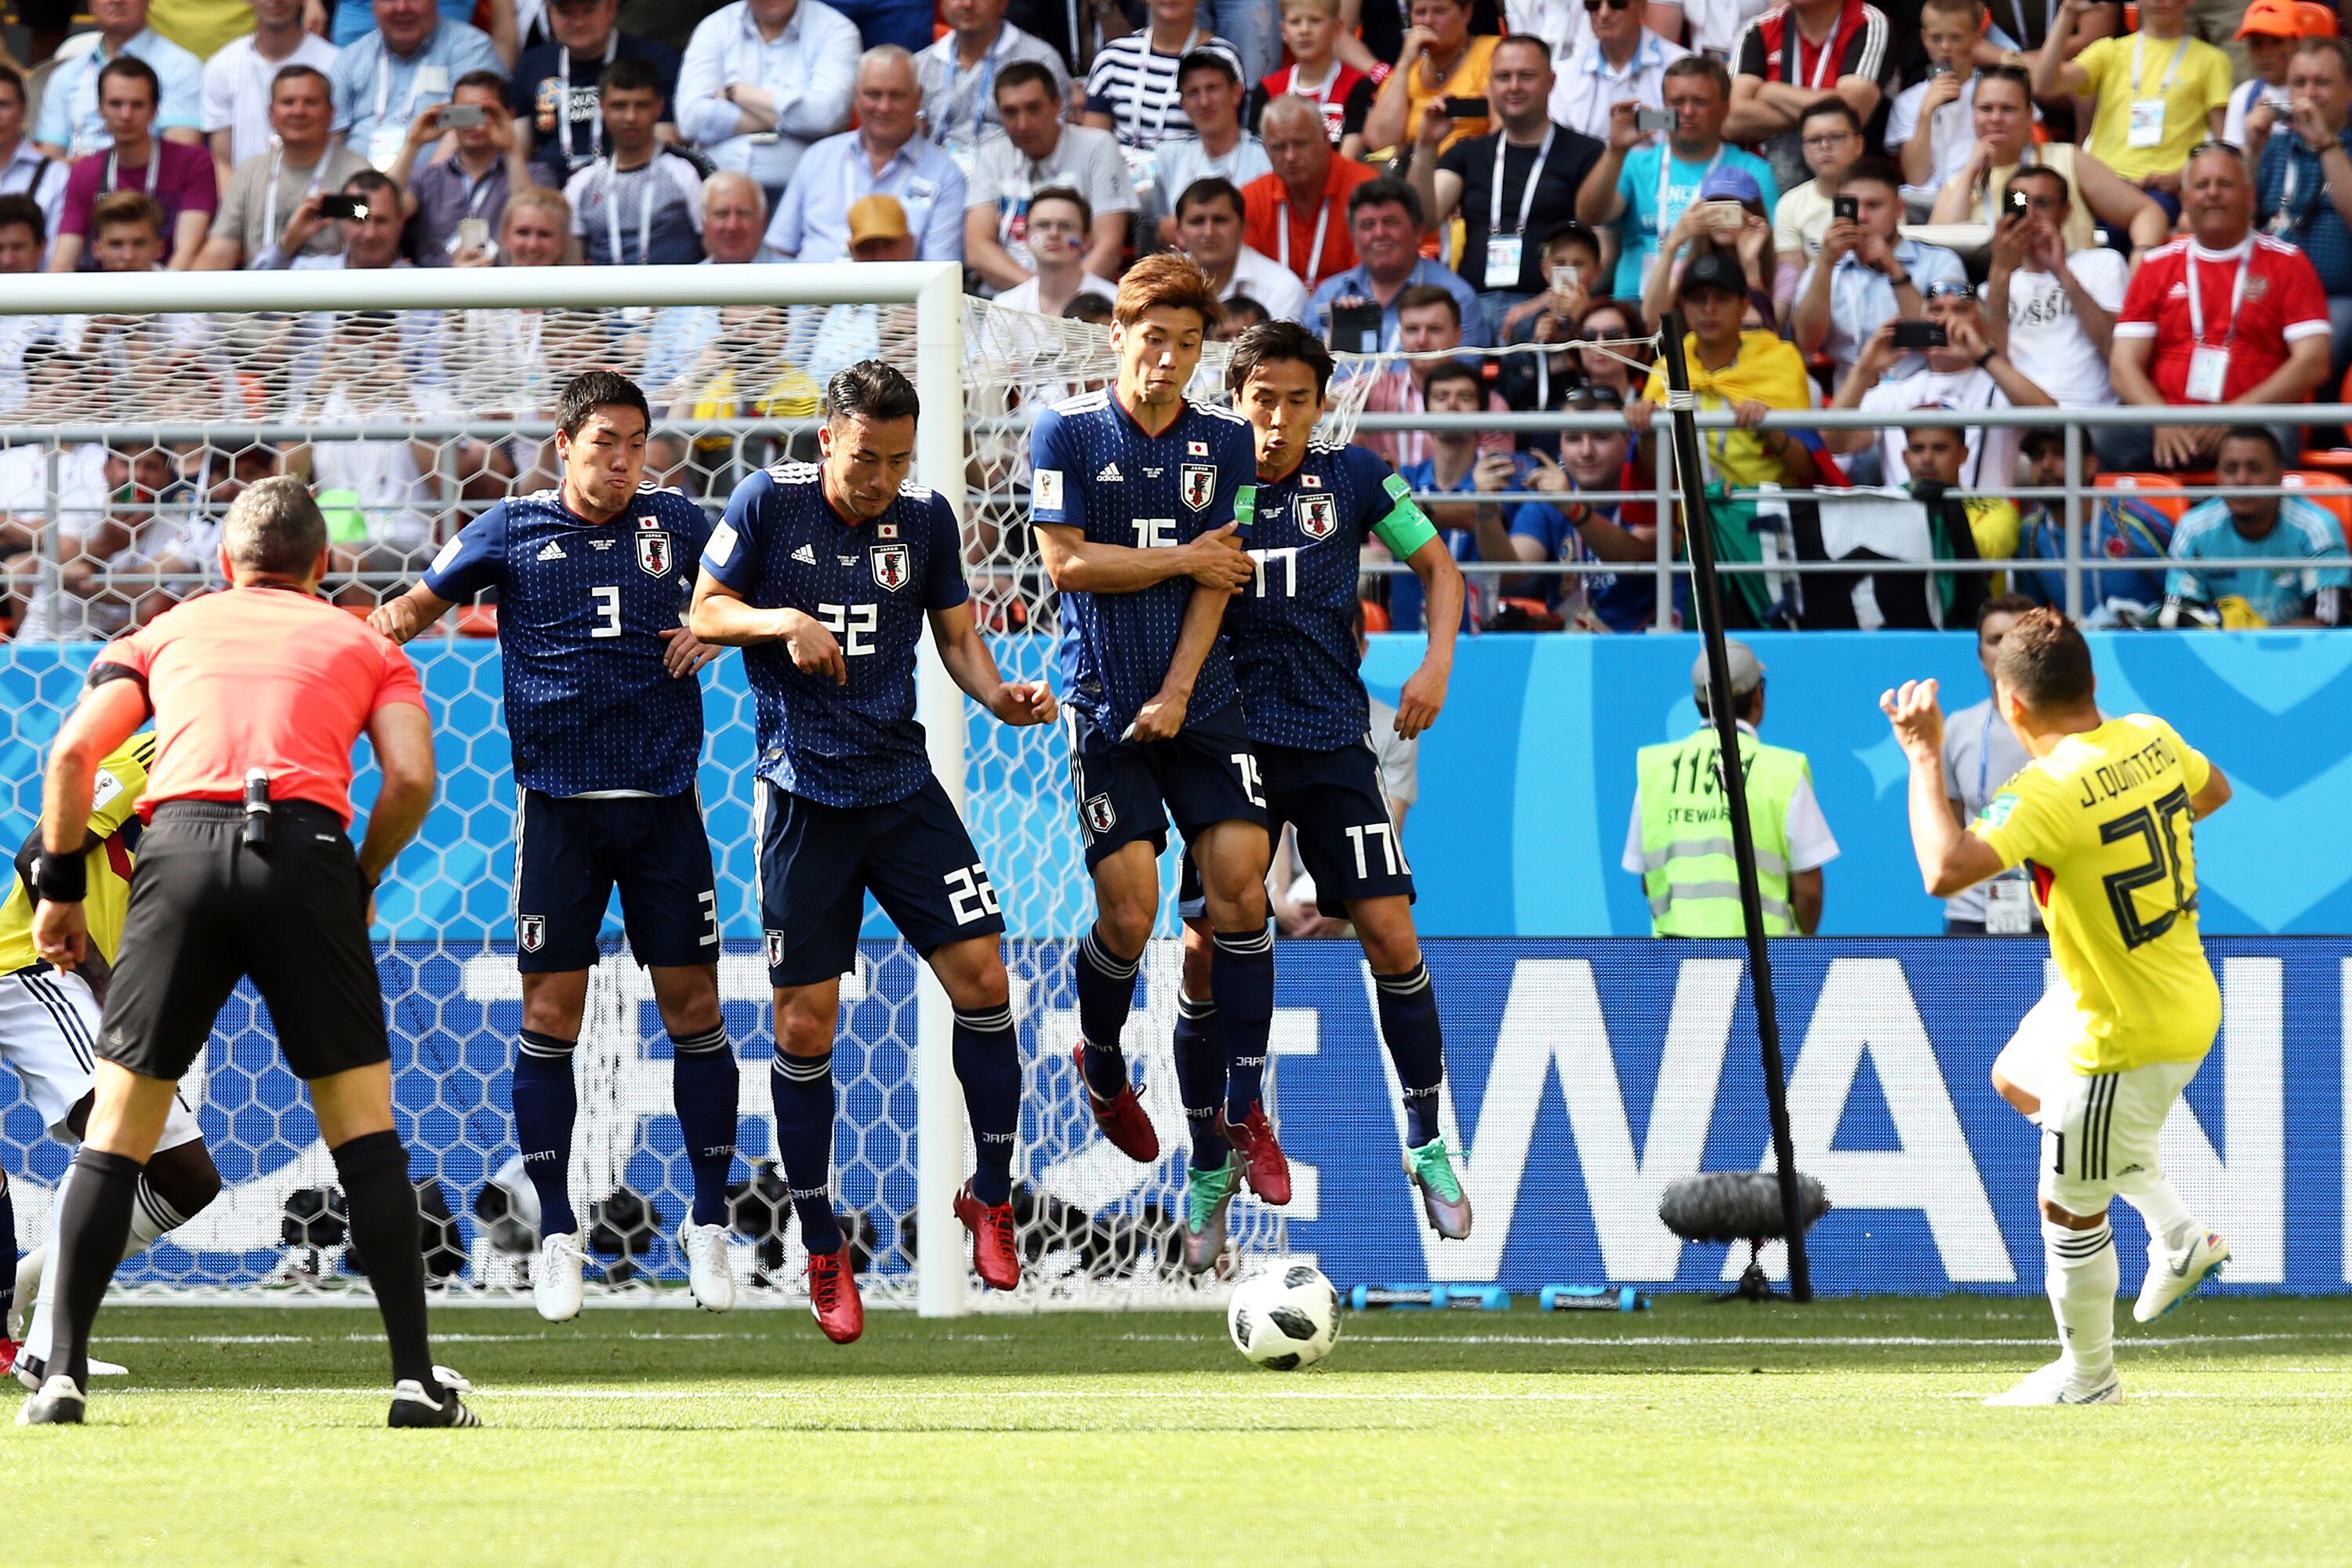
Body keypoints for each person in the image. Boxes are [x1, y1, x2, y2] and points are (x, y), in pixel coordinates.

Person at [20, 476, 464, 1428]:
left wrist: (61, 890)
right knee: (362, 1127)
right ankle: (414, 1383)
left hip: (177, 852)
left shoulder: (163, 630)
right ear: (327, 565)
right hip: (305, 851)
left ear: (225, 563)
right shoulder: (362, 638)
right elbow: (415, 777)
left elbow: (70, 758)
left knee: (121, 1128)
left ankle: (59, 1373)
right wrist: (364, 873)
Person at [691, 360, 1058, 1334]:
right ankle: (821, 1240)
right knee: (806, 1027)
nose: (880, 477)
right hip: (805, 799)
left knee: (986, 977)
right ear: (828, 441)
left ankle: (990, 1192)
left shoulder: (926, 518)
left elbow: (959, 638)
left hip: (902, 791)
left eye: (897, 460)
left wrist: (998, 693)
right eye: (866, 458)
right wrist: (786, 622)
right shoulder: (768, 501)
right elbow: (704, 609)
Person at [368, 372, 738, 1323]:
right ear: (565, 442)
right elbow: (407, 613)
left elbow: (757, 594)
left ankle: (707, 1224)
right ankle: (561, 1233)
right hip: (560, 809)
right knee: (552, 1012)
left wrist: (720, 630)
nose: (624, 460)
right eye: (606, 441)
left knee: (694, 1003)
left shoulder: (682, 525)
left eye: (638, 442)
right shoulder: (511, 529)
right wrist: (332, 657)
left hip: (663, 802)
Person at [1161, 320, 1468, 1269]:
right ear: (1236, 394)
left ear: (1322, 402)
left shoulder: (1360, 478)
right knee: (1211, 941)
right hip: (1231, 735)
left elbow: (1438, 568)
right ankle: (1214, 1158)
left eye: (1299, 399)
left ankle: (1428, 1146)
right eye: (1263, 397)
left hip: (1333, 737)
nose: (1280, 417)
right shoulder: (1200, 475)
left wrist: (1435, 663)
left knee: (1392, 933)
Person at [1881, 609, 2234, 1404]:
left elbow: (1944, 869)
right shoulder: (2149, 734)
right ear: (2093, 683)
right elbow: (2212, 790)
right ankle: (2179, 1234)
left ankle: (2089, 1377)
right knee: (2016, 1076)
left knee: (2067, 1205)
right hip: (2159, 988)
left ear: (2011, 707)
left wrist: (1924, 752)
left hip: (2125, 1030)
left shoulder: (2045, 789)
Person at [1028, 256, 1285, 1206]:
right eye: (1154, 338)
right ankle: (1100, 1059)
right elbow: (1066, 565)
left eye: (1187, 341)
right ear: (1117, 337)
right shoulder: (1064, 428)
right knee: (1130, 913)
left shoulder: (1226, 442)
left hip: (1203, 698)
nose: (1169, 358)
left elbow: (1222, 582)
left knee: (1240, 894)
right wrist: (1178, 554)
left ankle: (1244, 1108)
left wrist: (1180, 690)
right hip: (1101, 701)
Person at [0, 728, 221, 1387]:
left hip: (100, 983)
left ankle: (25, 1288)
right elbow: (41, 855)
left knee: (188, 1181)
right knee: (113, 1130)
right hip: (37, 969)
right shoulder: (160, 752)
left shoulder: (264, 785)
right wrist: (102, 981)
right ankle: (49, 1347)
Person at [1628, 252, 1825, 627]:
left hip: (1766, 528)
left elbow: (1808, 467)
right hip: (1694, 532)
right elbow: (1651, 473)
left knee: (1776, 636)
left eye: (1721, 299)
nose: (1709, 309)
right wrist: (1646, 430)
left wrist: (1772, 431)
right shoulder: (1666, 367)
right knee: (1700, 641)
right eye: (1698, 299)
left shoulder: (1779, 362)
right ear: (1683, 307)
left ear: (1744, 305)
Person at [2111, 143, 2332, 471]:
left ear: (2250, 196)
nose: (2212, 193)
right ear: (2184, 200)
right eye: (2201, 186)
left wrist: (2235, 415)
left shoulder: (2288, 263)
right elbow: (2122, 366)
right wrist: (2162, 420)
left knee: (2276, 437)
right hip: (2168, 421)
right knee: (2100, 438)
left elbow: (2313, 362)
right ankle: (2139, 524)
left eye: (2225, 184)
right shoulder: (2156, 265)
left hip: (2253, 419)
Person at [1626, 641, 1838, 936]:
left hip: (1675, 958)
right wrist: (1797, 948)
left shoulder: (1655, 767)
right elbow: (1809, 890)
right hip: (1765, 959)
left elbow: (1648, 880)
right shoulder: (1783, 770)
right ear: (1758, 696)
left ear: (1698, 701)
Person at [1407, 35, 1602, 340]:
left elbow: (1602, 245)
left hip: (1546, 305)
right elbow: (1421, 217)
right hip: (1471, 305)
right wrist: (1426, 145)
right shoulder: (1467, 153)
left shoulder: (1586, 152)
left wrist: (1544, 303)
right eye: (1503, 77)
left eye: (1526, 76)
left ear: (1551, 81)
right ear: (1489, 85)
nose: (1513, 86)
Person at [1578, 56, 1779, 299]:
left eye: (1700, 102)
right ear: (1664, 105)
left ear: (1726, 109)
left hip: (1706, 304)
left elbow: (1767, 251)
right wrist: (1616, 151)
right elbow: (1591, 215)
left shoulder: (1753, 170)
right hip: (1632, 306)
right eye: (1677, 102)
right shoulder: (1635, 163)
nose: (1687, 112)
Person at [1826, 283, 2051, 499]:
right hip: (1909, 524)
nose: (1944, 320)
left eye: (1960, 310)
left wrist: (1982, 353)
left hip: (1982, 529)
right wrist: (1864, 370)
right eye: (1936, 311)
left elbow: (2050, 420)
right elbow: (1833, 443)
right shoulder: (1894, 393)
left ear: (1983, 328)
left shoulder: (2003, 388)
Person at [1929, 66, 2169, 254]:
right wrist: (1972, 170)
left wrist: (2142, 254)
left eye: (2008, 109)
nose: (1995, 118)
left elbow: (2147, 212)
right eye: (1986, 109)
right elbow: (1938, 246)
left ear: (2030, 115)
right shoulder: (1961, 182)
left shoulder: (2067, 159)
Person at [1501, 382, 1676, 631]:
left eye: (1601, 436)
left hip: (1645, 645)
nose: (1586, 451)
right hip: (1572, 650)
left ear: (1627, 439)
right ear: (1560, 445)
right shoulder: (1548, 500)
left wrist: (1572, 509)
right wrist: (1485, 512)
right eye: (1573, 438)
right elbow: (1509, 572)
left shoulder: (1646, 487)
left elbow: (1637, 557)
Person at [766, 46, 964, 263]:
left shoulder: (945, 174)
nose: (884, 106)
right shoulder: (818, 157)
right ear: (856, 96)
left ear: (918, 98)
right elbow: (781, 250)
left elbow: (940, 271)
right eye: (873, 94)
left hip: (896, 296)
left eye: (897, 95)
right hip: (811, 295)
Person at [2031, 0, 2230, 215]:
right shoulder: (2109, 50)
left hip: (2163, 190)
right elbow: (2045, 85)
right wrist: (2067, 14)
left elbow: (2223, 147)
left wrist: (2183, 176)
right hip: (2102, 184)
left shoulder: (2213, 61)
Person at [1791, 154, 1964, 386]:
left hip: (1922, 399)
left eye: (1873, 205)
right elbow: (1806, 343)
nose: (1861, 216)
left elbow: (1941, 340)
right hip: (1851, 401)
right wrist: (1826, 264)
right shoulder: (1823, 268)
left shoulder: (1941, 262)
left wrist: (1894, 268)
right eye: (1851, 206)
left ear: (1899, 209)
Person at [964, 60, 1136, 289]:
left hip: (1081, 303)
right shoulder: (991, 154)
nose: (1023, 124)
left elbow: (1109, 248)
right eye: (1010, 112)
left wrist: (1062, 299)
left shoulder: (1098, 146)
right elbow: (977, 248)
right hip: (1004, 299)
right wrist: (1036, 298)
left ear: (1058, 105)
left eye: (1033, 108)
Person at [675, 0, 864, 204]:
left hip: (805, 190)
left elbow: (825, 117)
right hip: (719, 187)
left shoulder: (836, 29)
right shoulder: (714, 28)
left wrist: (737, 93)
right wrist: (793, 116)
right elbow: (689, 120)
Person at [1981, 165, 2131, 422]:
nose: (2030, 215)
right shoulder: (1992, 287)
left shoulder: (2104, 263)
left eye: (2042, 204)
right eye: (2018, 204)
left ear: (2066, 212)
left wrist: (2061, 271)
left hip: (2091, 417)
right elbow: (1994, 361)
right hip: (2019, 419)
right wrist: (2001, 269)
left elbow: (2115, 350)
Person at [2161, 426, 2350, 626]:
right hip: (2219, 654)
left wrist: (2255, 645)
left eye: (2255, 469)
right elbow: (2178, 618)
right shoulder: (2192, 529)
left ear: (2279, 475)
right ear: (2217, 476)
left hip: (2301, 654)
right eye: (2230, 469)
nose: (2241, 480)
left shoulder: (2317, 528)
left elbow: (2330, 620)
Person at [1385, 358, 1518, 630]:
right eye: (1441, 397)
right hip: (1409, 640)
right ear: (1427, 410)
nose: (1452, 405)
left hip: (1480, 642)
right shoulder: (1407, 476)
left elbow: (1480, 516)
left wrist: (1418, 510)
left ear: (1482, 413)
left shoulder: (1499, 474)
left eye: (1464, 397)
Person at [196, 66, 372, 270]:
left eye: (311, 102)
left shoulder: (358, 174)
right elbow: (220, 250)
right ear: (271, 115)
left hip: (334, 295)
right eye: (288, 102)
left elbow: (371, 236)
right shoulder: (250, 173)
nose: (298, 111)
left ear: (332, 113)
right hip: (261, 296)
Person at [49, 57, 216, 274]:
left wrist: (158, 304)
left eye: (137, 105)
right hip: (103, 297)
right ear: (100, 109)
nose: (126, 115)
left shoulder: (193, 162)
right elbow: (64, 259)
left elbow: (186, 252)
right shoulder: (86, 171)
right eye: (116, 104)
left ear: (155, 110)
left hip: (172, 296)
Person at [2256, 36, 2352, 408]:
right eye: (2299, 83)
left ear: (2349, 89)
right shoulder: (2276, 146)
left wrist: (2326, 145)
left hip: (2336, 298)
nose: (2309, 94)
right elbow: (2230, 222)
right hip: (2266, 293)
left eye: (2322, 83)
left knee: (2320, 340)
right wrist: (2250, 149)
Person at [1936, 594, 2041, 935]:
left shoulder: (2083, 730)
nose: (2008, 648)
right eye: (1996, 640)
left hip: (2060, 917)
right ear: (1981, 656)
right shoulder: (1958, 728)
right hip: (1973, 916)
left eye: (2020, 635)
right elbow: (1950, 831)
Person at [1726, 0, 1894, 197]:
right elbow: (1730, 119)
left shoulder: (1868, 22)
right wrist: (1827, 111)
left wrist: (1771, 92)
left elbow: (1852, 112)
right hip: (1762, 186)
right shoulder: (1758, 29)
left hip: (1846, 187)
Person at [1307, 177, 1487, 348]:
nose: (1379, 234)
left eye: (1390, 222)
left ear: (1418, 232)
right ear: (1353, 237)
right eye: (1368, 225)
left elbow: (1462, 375)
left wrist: (1388, 382)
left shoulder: (1456, 297)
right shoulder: (1328, 294)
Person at [511, 0, 683, 180]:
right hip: (549, 193)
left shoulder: (655, 60)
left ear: (611, 8)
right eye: (566, 13)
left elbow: (665, 143)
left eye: (589, 10)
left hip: (630, 182)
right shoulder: (532, 64)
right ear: (549, 13)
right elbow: (517, 152)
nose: (578, 22)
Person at [2011, 429, 2176, 615]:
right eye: (2037, 456)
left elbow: (2184, 599)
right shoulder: (2030, 533)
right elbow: (2032, 617)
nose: (2047, 465)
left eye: (2061, 453)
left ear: (2090, 465)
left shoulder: (2136, 523)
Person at [330, 0, 506, 172]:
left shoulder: (472, 49)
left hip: (439, 191)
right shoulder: (351, 58)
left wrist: (422, 188)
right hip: (356, 191)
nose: (402, 7)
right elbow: (332, 137)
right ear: (373, 5)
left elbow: (475, 120)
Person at [1353, 286, 1515, 470]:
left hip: (1459, 499)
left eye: (1435, 329)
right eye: (1412, 330)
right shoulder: (1376, 387)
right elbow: (1323, 402)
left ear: (1458, 336)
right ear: (1401, 336)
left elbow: (1497, 483)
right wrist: (1337, 342)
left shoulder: (1490, 405)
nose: (1422, 340)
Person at [391, 70, 543, 267]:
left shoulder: (536, 175)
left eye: (483, 113)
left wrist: (512, 148)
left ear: (509, 116)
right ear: (450, 115)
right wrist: (412, 144)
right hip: (437, 292)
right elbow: (378, 211)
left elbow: (533, 219)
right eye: (464, 113)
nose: (473, 124)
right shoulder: (427, 178)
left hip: (508, 289)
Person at [564, 56, 705, 266]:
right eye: (619, 106)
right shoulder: (583, 182)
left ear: (659, 107)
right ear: (602, 107)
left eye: (641, 105)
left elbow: (712, 243)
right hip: (603, 297)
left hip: (677, 296)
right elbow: (570, 265)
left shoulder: (687, 171)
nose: (630, 117)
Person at [33, 0, 204, 161]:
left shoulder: (182, 67)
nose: (116, 0)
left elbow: (180, 159)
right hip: (77, 184)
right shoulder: (65, 75)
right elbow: (51, 161)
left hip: (149, 186)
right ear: (91, 5)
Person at [1242, 93, 1378, 289]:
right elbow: (1250, 285)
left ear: (1325, 139)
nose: (1290, 157)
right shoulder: (1251, 199)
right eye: (1279, 147)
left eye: (1300, 144)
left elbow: (1371, 281)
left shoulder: (1366, 190)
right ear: (1265, 149)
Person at [914, 0, 1071, 168]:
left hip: (1016, 179)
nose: (967, 4)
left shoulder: (1041, 59)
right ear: (942, 5)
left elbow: (1055, 138)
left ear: (1003, 3)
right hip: (937, 181)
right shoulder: (920, 65)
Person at [201, 0, 341, 183]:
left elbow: (336, 146)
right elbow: (223, 162)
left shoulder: (335, 63)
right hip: (247, 198)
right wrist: (237, 210)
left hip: (318, 193)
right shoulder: (222, 65)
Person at [1084, 0, 1245, 149]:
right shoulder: (1112, 57)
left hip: (1195, 175)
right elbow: (1094, 148)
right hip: (1120, 175)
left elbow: (1228, 144)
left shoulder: (1223, 58)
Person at [1635, 162, 1777, 330]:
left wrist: (1750, 266)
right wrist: (1671, 246)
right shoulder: (1685, 268)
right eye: (1713, 207)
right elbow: (1651, 321)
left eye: (1731, 209)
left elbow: (1768, 333)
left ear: (1753, 213)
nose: (1722, 219)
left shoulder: (1779, 269)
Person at [1147, 51, 1271, 242]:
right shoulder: (1169, 157)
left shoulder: (1265, 158)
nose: (1204, 102)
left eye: (1213, 88)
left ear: (1236, 93)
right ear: (1183, 104)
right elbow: (1159, 227)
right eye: (1193, 93)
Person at [1887, 0, 1992, 216]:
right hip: (1925, 201)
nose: (1945, 47)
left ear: (1976, 38)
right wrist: (1926, 112)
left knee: (2016, 198)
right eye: (1936, 38)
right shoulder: (1908, 100)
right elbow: (1916, 178)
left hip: (1982, 195)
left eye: (1956, 37)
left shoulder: (1997, 90)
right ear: (1924, 39)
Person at [1361, 0, 1500, 157]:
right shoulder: (1406, 71)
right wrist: (1404, 64)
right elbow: (1378, 141)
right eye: (1420, 13)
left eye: (1440, 11)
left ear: (1467, 13)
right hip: (1415, 172)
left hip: (1472, 169)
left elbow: (1502, 130)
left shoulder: (1495, 55)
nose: (1428, 21)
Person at [1247, 0, 1380, 158]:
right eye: (1295, 22)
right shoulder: (1267, 89)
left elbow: (1348, 161)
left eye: (1315, 21)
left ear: (1336, 28)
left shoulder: (1359, 86)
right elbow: (1258, 158)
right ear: (1283, 31)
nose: (1304, 30)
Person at [1769, 96, 1864, 317]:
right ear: (1802, 148)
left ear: (1859, 144)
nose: (1825, 146)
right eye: (1814, 140)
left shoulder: (1880, 197)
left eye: (1836, 137)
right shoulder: (1790, 205)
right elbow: (1795, 286)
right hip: (1814, 312)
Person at [1550, 0, 1690, 143]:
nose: (1603, 14)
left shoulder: (1682, 66)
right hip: (1588, 164)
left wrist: (1646, 120)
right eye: (1593, 4)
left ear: (1642, 6)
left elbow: (1689, 123)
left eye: (1617, 3)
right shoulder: (1565, 75)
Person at [1176, 176, 1311, 321]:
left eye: (1220, 220)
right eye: (1197, 222)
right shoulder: (1162, 281)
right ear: (1178, 232)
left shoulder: (1284, 288)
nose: (1209, 232)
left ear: (1244, 228)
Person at [994, 184, 1116, 314]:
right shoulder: (1004, 307)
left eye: (1065, 226)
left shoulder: (1115, 302)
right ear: (1026, 238)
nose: (1054, 234)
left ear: (1086, 240)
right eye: (1043, 225)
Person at [0, 69, 67, 257]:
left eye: (3, 105)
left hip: (36, 285)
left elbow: (55, 255)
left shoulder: (56, 175)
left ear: (24, 111)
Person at [2226, 0, 2302, 160]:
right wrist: (2252, 146)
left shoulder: (2318, 93)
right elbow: (2232, 166)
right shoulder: (2243, 96)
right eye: (2257, 44)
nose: (2266, 53)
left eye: (2277, 42)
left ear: (2297, 43)